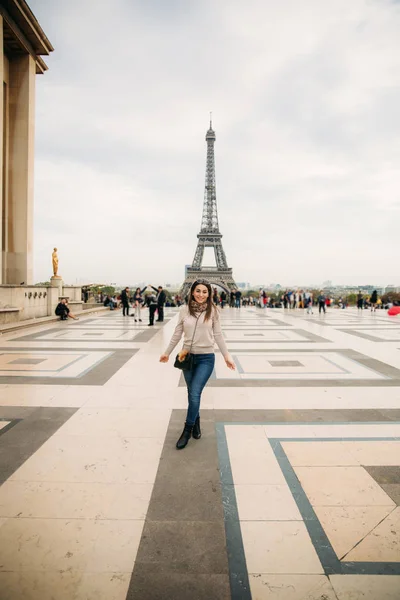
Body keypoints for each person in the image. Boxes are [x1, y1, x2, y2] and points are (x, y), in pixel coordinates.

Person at [160, 279, 235, 449]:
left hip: (206, 358)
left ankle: (187, 430)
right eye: (198, 291)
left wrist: (226, 355)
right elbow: (177, 334)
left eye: (205, 292)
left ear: (209, 294)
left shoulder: (213, 311)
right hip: (186, 357)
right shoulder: (184, 311)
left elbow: (218, 335)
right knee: (192, 393)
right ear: (192, 291)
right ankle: (197, 421)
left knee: (194, 393)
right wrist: (167, 352)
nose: (201, 294)